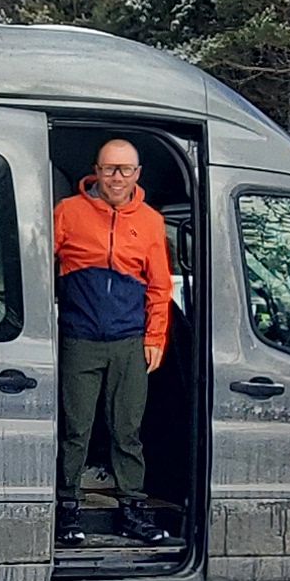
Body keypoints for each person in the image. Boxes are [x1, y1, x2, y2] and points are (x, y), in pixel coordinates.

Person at [53, 137, 175, 542]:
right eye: (109, 169)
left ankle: (133, 511)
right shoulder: (68, 212)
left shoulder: (151, 221)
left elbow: (159, 287)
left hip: (128, 341)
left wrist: (155, 336)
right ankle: (67, 509)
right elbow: (38, 265)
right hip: (79, 337)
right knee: (75, 429)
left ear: (137, 174)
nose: (117, 177)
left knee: (127, 430)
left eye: (125, 169)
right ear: (97, 171)